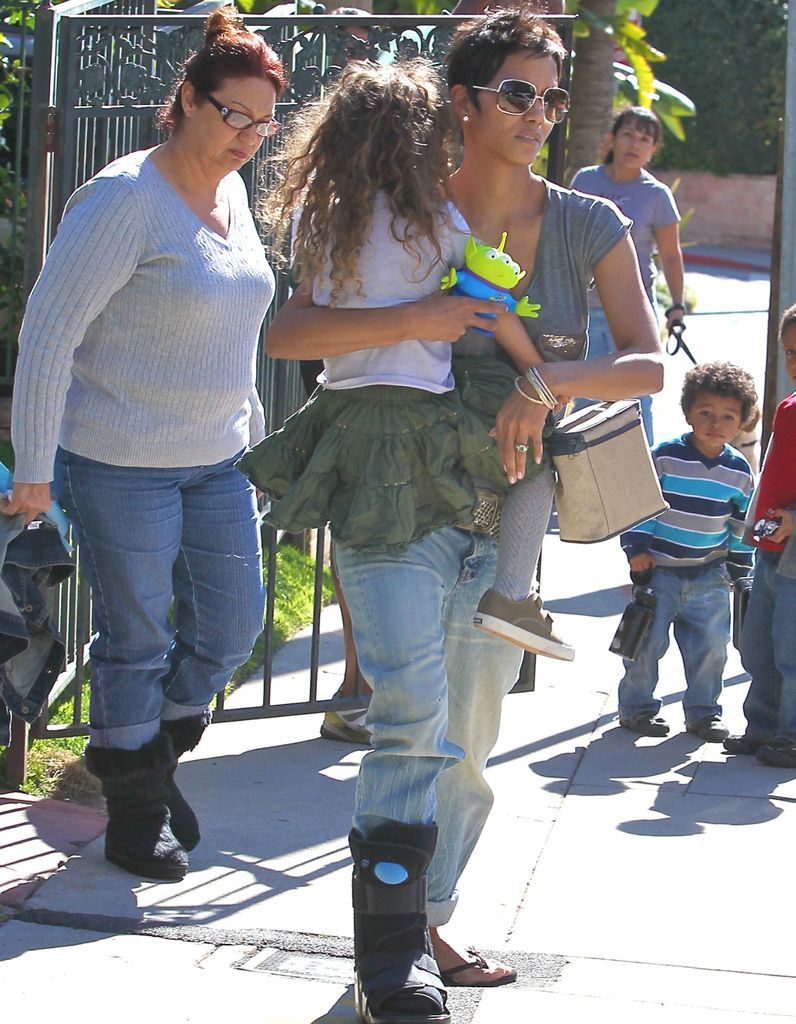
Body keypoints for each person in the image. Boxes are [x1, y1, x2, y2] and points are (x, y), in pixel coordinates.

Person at [256, 10, 662, 1019]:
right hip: (400, 496)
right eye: (518, 92)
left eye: (552, 99)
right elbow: (298, 329)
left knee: (468, 743)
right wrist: (416, 318)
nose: (539, 114)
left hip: (508, 506)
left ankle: (424, 919)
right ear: (464, 101)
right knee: (410, 715)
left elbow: (645, 363)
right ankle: (394, 958)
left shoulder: (588, 222)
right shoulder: (400, 207)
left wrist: (544, 383)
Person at [4, 8, 287, 883]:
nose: (248, 137)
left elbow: (233, 336)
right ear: (188, 99)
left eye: (263, 122)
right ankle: (134, 819)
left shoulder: (232, 195)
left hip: (218, 460)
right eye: (233, 115)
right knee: (137, 639)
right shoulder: (122, 199)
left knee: (234, 625)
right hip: (119, 461)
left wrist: (253, 443)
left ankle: (145, 769)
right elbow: (48, 336)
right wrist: (34, 469)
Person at [617, 361, 757, 741]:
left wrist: (739, 565)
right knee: (645, 643)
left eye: (728, 416)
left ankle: (703, 713)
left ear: (742, 422)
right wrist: (636, 548)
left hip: (710, 573)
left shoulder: (739, 471)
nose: (715, 423)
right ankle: (636, 708)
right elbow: (640, 502)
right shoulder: (664, 456)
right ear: (688, 412)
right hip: (659, 570)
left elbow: (741, 523)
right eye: (706, 413)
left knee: (711, 648)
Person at [571, 106, 685, 444]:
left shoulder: (657, 195)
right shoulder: (585, 180)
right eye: (628, 134)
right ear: (612, 139)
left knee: (636, 399)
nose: (635, 144)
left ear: (653, 149)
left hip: (634, 313)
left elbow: (670, 255)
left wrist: (677, 306)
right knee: (586, 395)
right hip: (585, 309)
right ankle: (580, 469)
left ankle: (640, 474)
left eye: (644, 139)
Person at [724, 306, 796, 767]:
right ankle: (763, 727)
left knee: (792, 650)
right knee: (759, 646)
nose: (795, 362)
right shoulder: (788, 408)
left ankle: (791, 735)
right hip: (769, 548)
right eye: (791, 352)